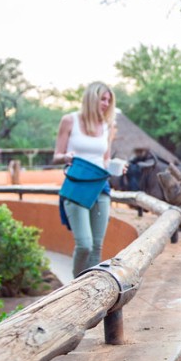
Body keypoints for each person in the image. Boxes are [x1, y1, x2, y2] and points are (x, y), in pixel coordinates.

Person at [53, 81, 119, 277]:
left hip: (101, 187)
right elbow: (56, 155)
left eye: (109, 100)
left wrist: (116, 166)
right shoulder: (69, 120)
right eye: (102, 99)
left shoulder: (109, 126)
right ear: (91, 98)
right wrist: (66, 157)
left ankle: (92, 290)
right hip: (76, 186)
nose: (106, 103)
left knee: (97, 246)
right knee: (84, 244)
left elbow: (105, 159)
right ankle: (75, 288)